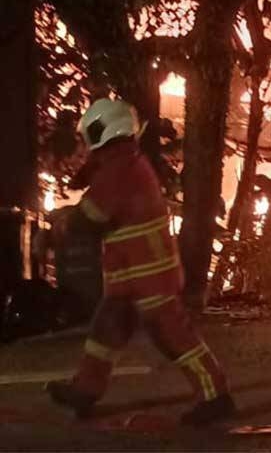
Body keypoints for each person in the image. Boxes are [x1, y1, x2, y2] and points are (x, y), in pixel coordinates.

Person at [45, 98, 235, 426]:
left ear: (101, 132)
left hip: (150, 276)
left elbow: (90, 217)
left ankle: (216, 396)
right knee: (105, 330)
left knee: (173, 336)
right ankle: (85, 390)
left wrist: (58, 228)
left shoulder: (120, 169)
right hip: (132, 275)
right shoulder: (122, 163)